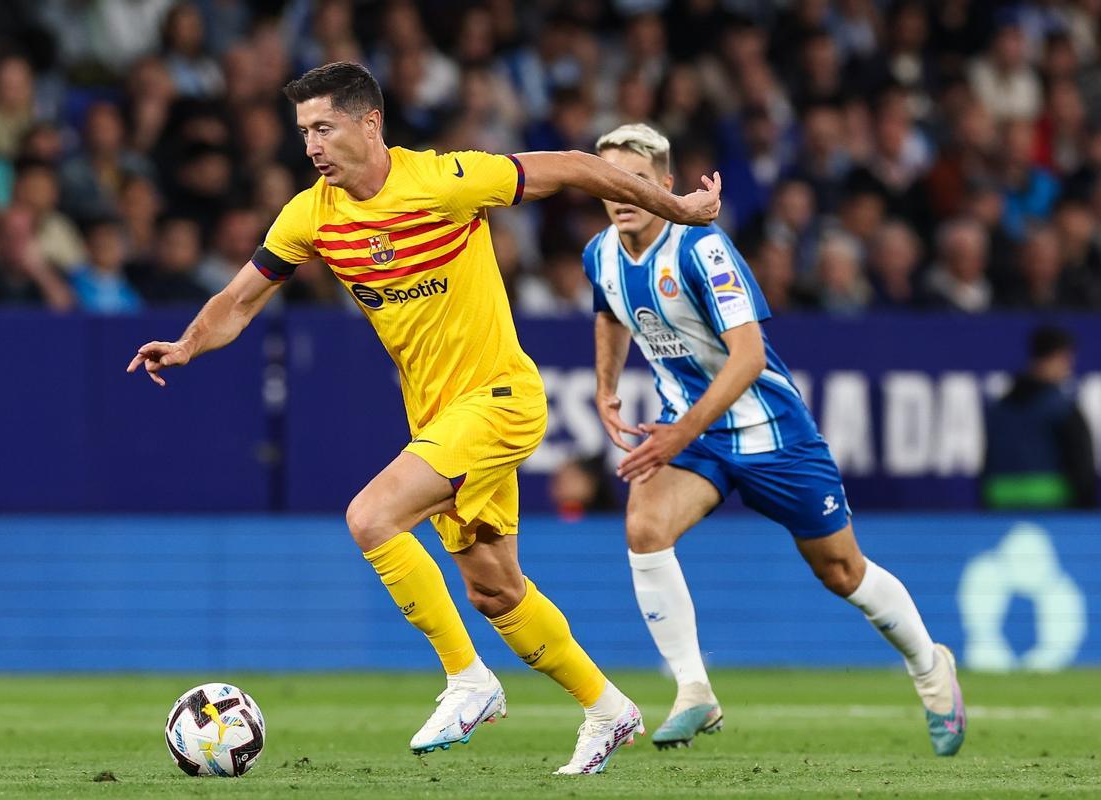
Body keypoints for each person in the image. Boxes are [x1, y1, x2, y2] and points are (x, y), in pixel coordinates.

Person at [126, 61, 722, 775]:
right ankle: (607, 709)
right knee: (494, 588)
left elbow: (571, 165)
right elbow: (240, 299)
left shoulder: (445, 181)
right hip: (438, 419)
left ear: (369, 123)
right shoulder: (310, 215)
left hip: (499, 400)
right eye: (304, 131)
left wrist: (675, 207)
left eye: (324, 127)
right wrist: (189, 344)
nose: (311, 145)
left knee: (371, 517)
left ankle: (468, 680)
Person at [583, 123, 965, 756]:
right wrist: (605, 388)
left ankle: (930, 667)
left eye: (638, 181)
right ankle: (693, 690)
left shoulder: (701, 248)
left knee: (842, 571)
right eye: (612, 181)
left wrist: (679, 433)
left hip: (770, 431)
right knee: (645, 529)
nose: (623, 195)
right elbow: (608, 311)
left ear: (666, 185)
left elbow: (749, 357)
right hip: (695, 434)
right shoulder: (599, 253)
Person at [982, 326, 1097, 509]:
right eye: (1067, 360)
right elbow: (1081, 468)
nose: (1069, 368)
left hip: (1000, 511)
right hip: (1052, 513)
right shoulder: (1063, 410)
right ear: (1057, 357)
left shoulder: (998, 410)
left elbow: (987, 468)